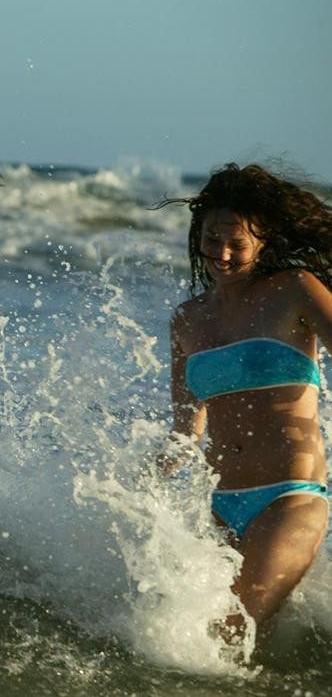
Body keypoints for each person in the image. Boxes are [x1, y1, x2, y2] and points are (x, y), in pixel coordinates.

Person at [160, 163, 332, 640]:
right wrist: (147, 476)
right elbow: (186, 424)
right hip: (219, 503)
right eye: (214, 239)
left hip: (290, 497)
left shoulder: (293, 290)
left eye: (238, 242)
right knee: (194, 638)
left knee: (230, 634)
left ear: (263, 240)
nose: (224, 253)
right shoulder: (187, 319)